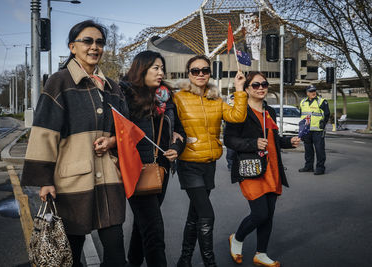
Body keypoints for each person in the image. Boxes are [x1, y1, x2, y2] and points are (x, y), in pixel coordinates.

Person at [21, 20, 127, 267]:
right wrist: (45, 180)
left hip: (110, 181)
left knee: (116, 256)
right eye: (87, 41)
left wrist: (113, 141)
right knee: (70, 258)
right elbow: (44, 133)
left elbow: (127, 130)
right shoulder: (59, 82)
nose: (94, 47)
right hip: (71, 184)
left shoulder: (113, 87)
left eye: (99, 42)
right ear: (72, 47)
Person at [107, 50, 186, 267]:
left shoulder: (167, 98)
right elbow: (117, 129)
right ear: (142, 69)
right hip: (136, 168)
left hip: (160, 169)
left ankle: (133, 262)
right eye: (155, 68)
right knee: (154, 228)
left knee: (143, 224)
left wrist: (176, 147)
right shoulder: (126, 95)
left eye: (162, 68)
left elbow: (179, 131)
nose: (161, 73)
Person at [173, 55, 248, 267]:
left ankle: (184, 259)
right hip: (188, 162)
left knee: (195, 214)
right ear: (188, 73)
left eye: (204, 70)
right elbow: (169, 122)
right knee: (207, 214)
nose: (200, 74)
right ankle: (210, 262)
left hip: (209, 163)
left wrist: (240, 89)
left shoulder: (216, 99)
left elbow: (237, 117)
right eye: (195, 70)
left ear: (209, 73)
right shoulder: (178, 98)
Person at [224, 71, 301, 267]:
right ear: (247, 88)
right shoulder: (240, 111)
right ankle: (237, 239)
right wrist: (252, 143)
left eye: (264, 84)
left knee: (269, 215)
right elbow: (229, 140)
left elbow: (273, 139)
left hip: (272, 169)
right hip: (251, 169)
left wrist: (287, 142)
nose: (261, 88)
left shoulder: (270, 111)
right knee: (260, 214)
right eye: (256, 85)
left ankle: (261, 253)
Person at [298, 85, 330, 175]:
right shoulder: (303, 102)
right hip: (306, 130)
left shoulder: (322, 101)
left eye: (314, 91)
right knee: (308, 149)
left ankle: (320, 168)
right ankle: (308, 166)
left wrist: (323, 123)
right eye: (311, 91)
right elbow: (302, 115)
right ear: (307, 93)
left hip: (318, 130)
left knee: (319, 149)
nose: (313, 92)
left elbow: (327, 114)